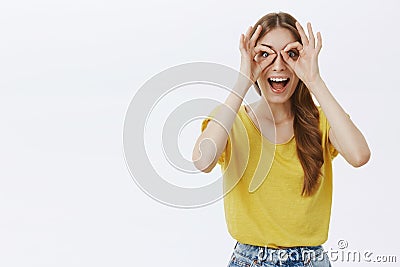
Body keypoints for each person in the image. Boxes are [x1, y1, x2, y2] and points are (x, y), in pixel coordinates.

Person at [192, 12, 370, 267]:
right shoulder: (232, 121)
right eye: (265, 55)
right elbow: (202, 161)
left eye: (291, 54)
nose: (278, 66)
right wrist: (243, 81)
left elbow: (359, 155)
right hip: (249, 260)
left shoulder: (321, 121)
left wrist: (314, 80)